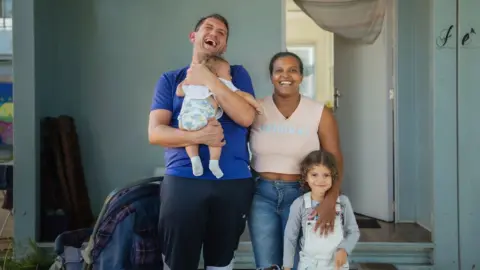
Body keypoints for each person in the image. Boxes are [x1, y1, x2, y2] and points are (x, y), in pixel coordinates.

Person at [148, 13, 256, 270]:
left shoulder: (236, 75)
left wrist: (210, 79)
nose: (215, 34)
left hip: (233, 182)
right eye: (209, 28)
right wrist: (196, 137)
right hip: (184, 180)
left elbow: (246, 117)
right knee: (178, 262)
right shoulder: (171, 79)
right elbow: (156, 133)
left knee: (221, 262)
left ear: (225, 45)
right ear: (193, 36)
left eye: (222, 33)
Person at [248, 51, 344, 268]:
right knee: (267, 265)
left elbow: (334, 159)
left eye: (293, 70)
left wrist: (330, 200)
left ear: (302, 76)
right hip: (261, 196)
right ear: (271, 76)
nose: (286, 76)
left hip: (303, 196)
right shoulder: (255, 108)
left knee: (301, 263)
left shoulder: (319, 113)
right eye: (279, 70)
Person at [175, 55, 261, 178]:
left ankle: (194, 159)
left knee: (189, 140)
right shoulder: (223, 83)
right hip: (206, 119)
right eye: (228, 72)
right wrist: (256, 105)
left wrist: (186, 80)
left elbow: (179, 91)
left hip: (186, 120)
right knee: (215, 139)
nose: (230, 76)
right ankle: (214, 163)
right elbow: (243, 95)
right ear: (215, 74)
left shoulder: (192, 84)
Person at [283, 150, 360, 270]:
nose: (320, 180)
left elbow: (353, 231)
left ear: (333, 176)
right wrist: (287, 266)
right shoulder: (300, 204)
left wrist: (344, 249)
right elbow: (290, 237)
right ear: (306, 177)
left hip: (337, 266)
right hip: (309, 265)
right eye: (314, 175)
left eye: (326, 175)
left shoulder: (343, 202)